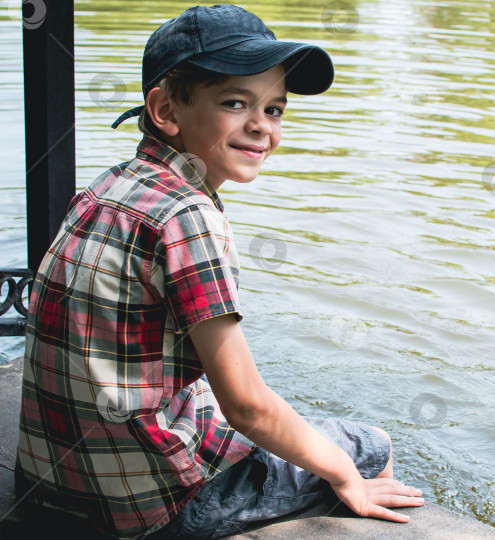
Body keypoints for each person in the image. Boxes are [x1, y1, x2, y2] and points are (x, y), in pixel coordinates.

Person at [15, 5, 423, 539]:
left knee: (244, 407)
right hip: (147, 507)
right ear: (165, 109)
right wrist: (346, 476)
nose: (261, 127)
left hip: (52, 483)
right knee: (368, 447)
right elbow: (249, 407)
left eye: (274, 109)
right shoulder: (187, 216)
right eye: (236, 103)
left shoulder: (108, 185)